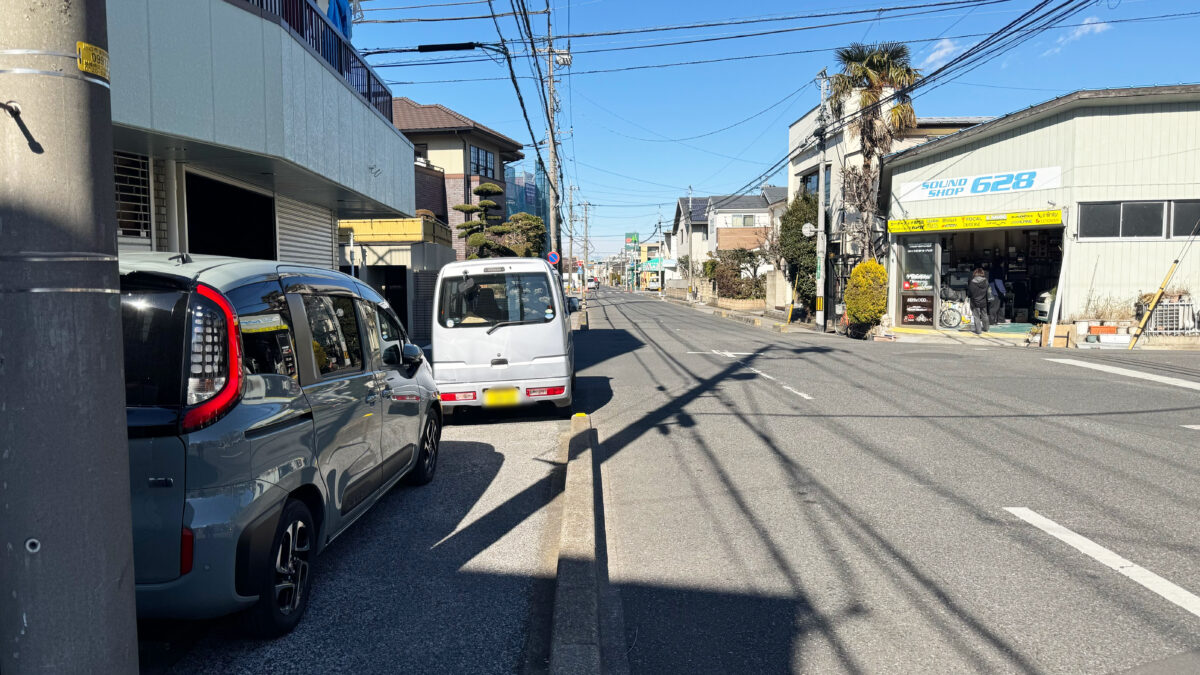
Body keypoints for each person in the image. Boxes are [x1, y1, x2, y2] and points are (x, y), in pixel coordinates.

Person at [967, 268, 991, 334]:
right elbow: (988, 291)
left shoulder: (972, 282)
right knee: (984, 315)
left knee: (976, 316)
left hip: (974, 301)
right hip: (983, 301)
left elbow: (969, 293)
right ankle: (986, 328)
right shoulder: (986, 281)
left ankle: (978, 331)